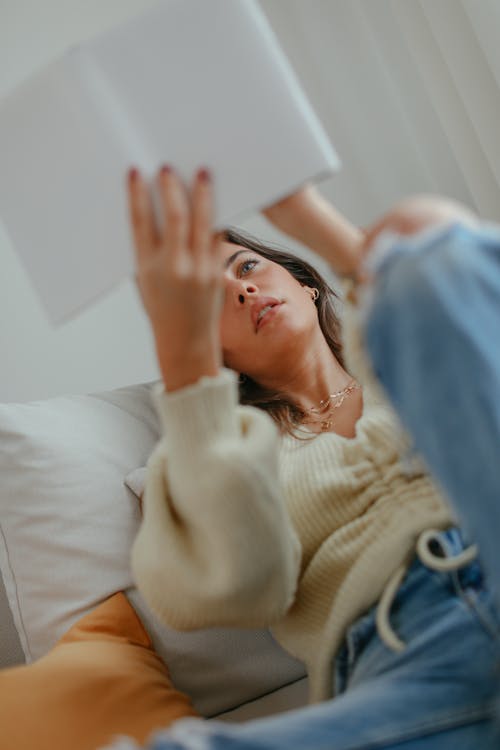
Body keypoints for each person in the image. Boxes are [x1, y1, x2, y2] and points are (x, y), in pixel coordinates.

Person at [106, 167, 500, 749]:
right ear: (216, 352)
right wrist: (184, 365)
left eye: (247, 267)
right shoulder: (213, 453)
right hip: (407, 662)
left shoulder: (414, 360)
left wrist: (314, 222)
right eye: (212, 302)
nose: (242, 290)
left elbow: (456, 312)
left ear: (305, 283)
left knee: (427, 239)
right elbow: (239, 589)